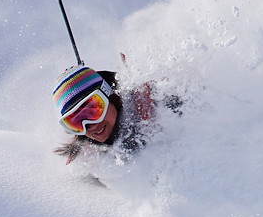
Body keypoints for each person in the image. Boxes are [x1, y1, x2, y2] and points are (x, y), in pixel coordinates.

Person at [52, 64, 181, 164]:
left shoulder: (150, 101)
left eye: (93, 110)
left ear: (110, 96)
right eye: (76, 122)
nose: (90, 126)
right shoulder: (87, 155)